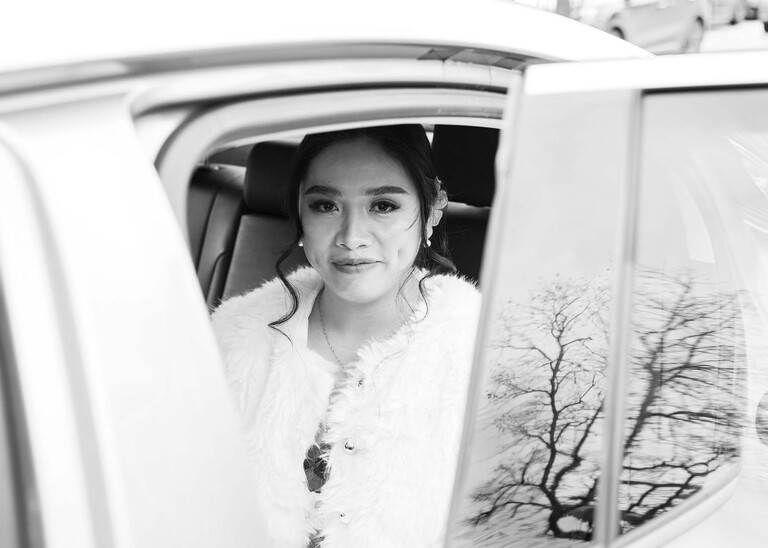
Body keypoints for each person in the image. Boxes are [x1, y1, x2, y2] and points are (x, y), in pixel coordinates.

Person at [211, 125, 481, 547]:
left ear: (432, 211)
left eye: (384, 205)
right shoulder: (231, 337)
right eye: (325, 205)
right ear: (300, 214)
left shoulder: (484, 355)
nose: (352, 237)